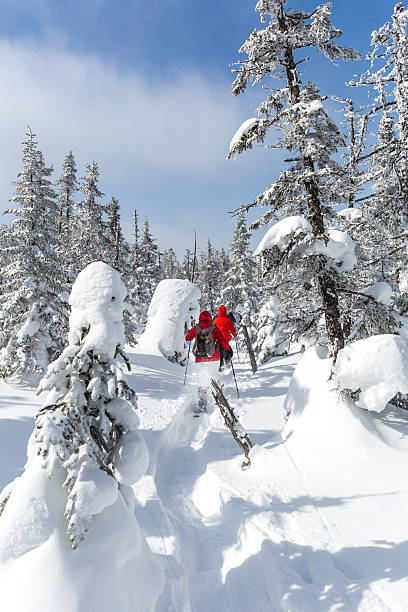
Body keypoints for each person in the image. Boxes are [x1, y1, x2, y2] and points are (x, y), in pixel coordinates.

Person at [185, 310, 232, 413]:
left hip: (200, 359)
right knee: (214, 378)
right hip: (213, 358)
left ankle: (202, 405)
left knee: (202, 381)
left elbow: (187, 338)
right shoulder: (214, 328)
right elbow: (222, 340)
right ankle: (219, 401)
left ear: (200, 318)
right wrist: (228, 349)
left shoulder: (196, 328)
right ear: (210, 319)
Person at [213, 305, 236, 370]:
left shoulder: (216, 320)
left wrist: (213, 338)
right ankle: (227, 362)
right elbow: (232, 328)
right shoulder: (228, 320)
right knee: (226, 350)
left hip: (218, 339)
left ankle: (221, 366)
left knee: (220, 352)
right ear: (225, 311)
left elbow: (213, 330)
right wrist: (235, 334)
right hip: (225, 339)